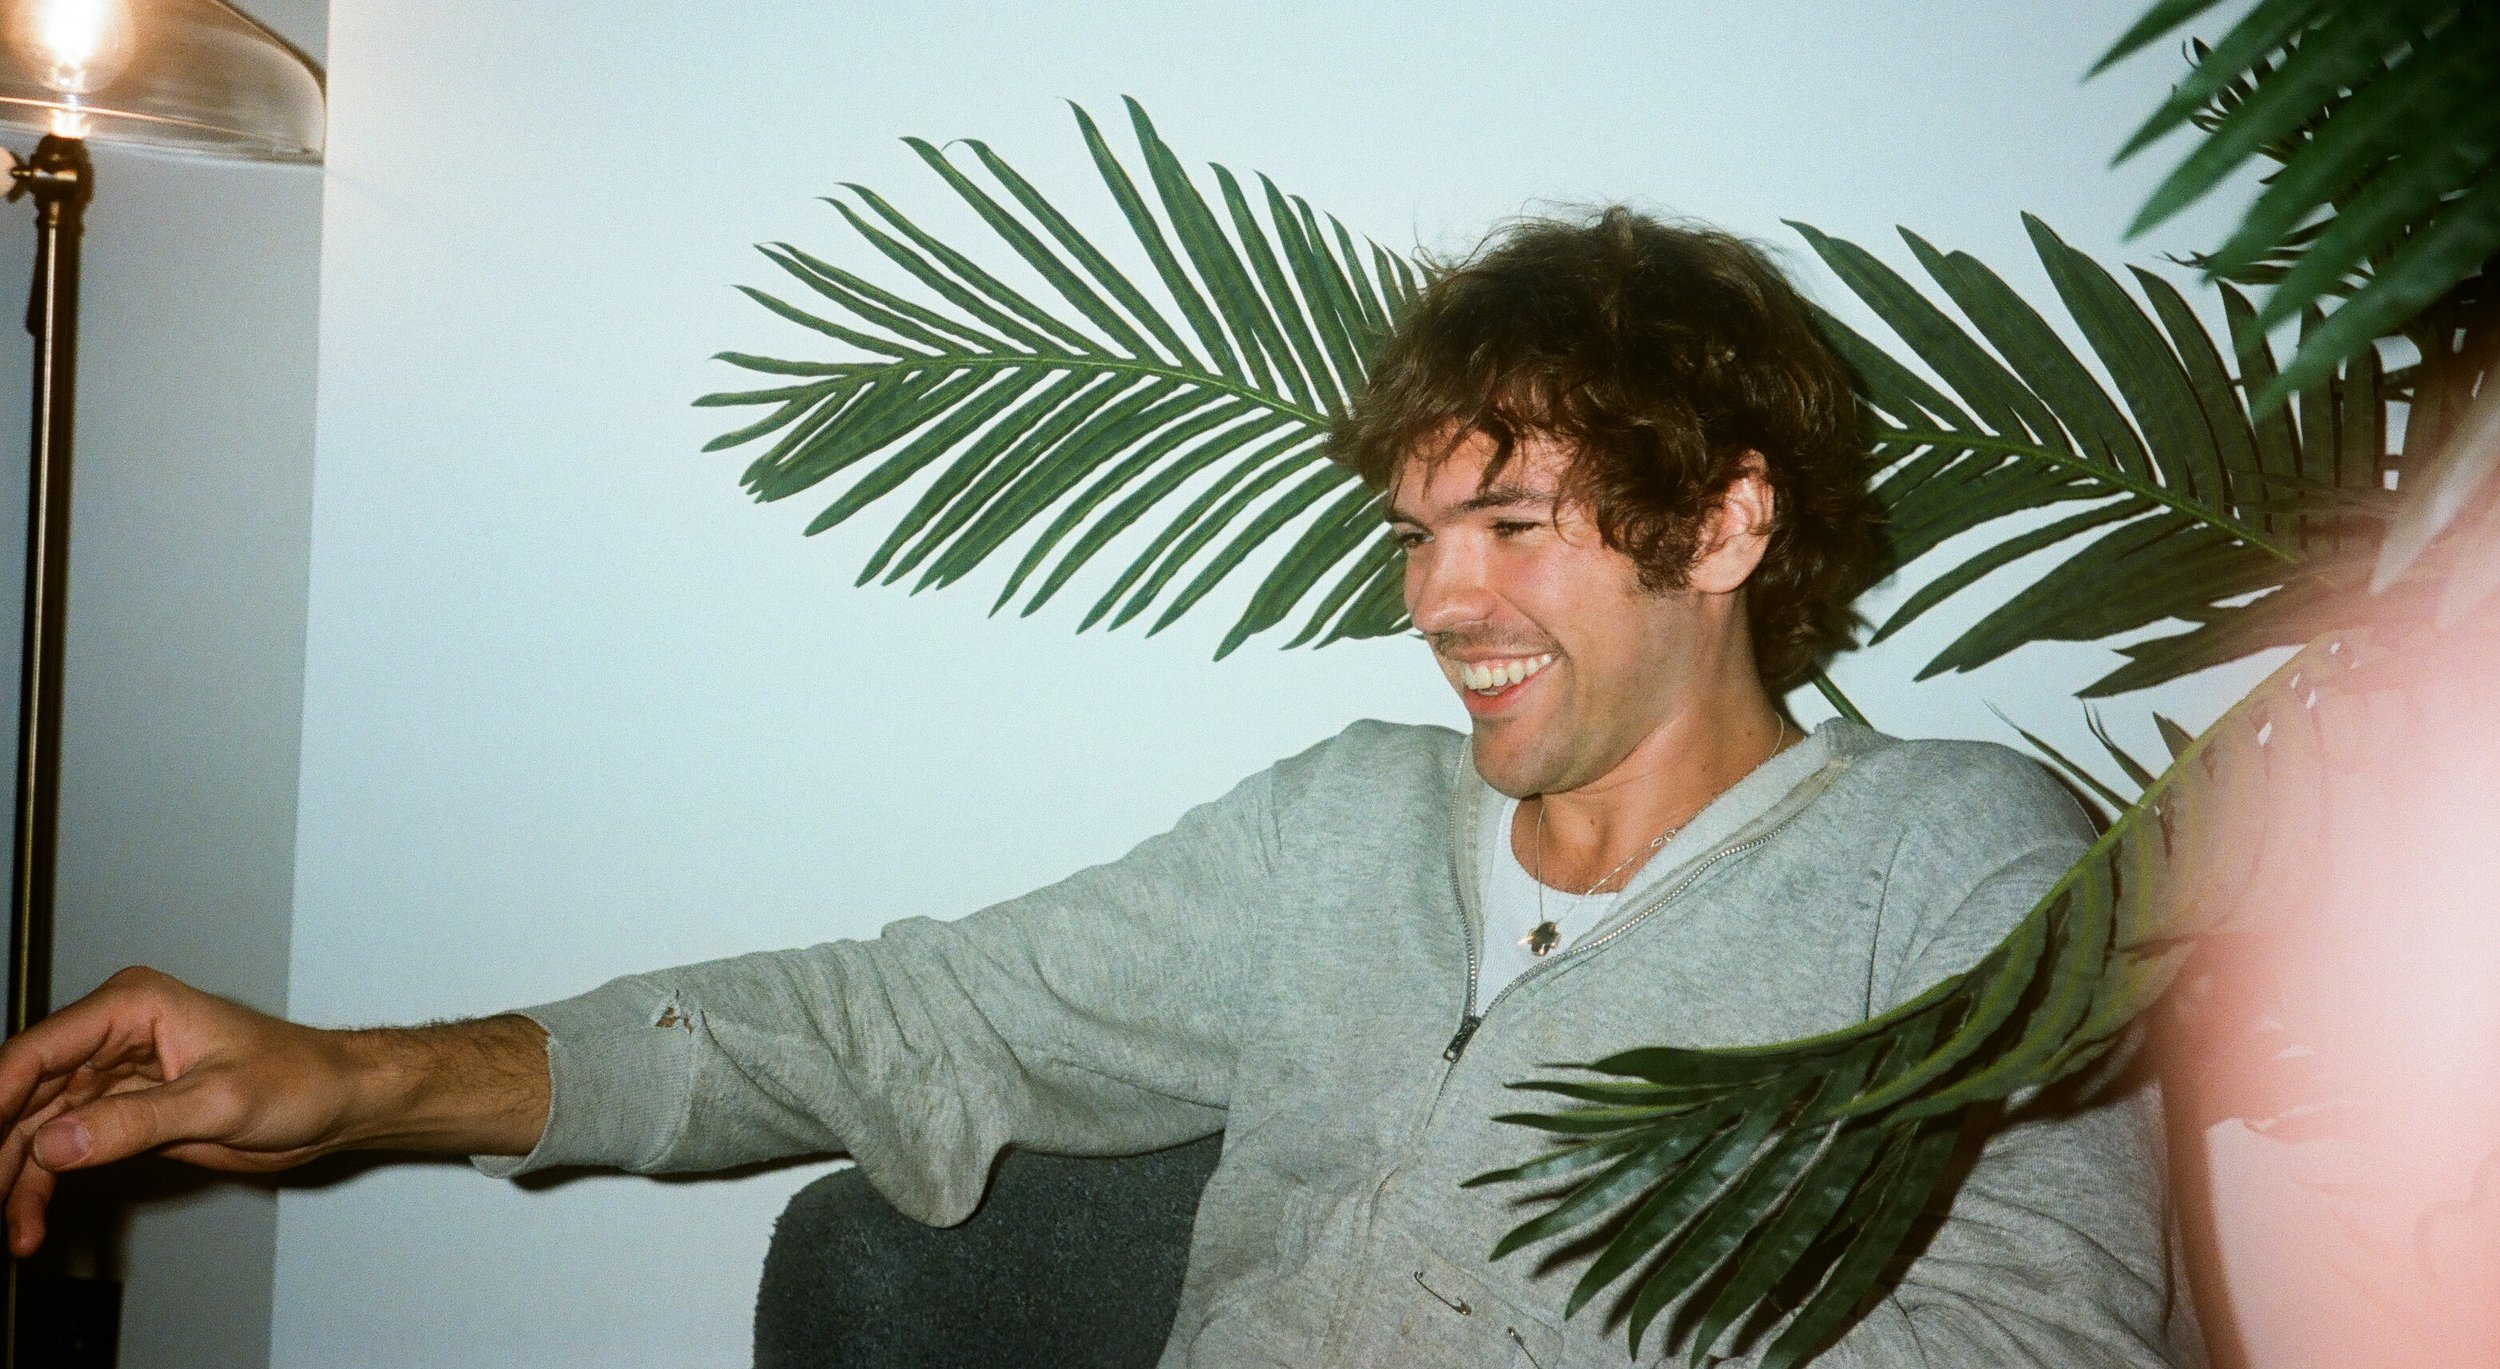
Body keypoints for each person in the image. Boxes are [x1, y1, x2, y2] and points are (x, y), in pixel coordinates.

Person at [0, 209, 2201, 1365]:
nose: (1435, 601)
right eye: (1415, 534)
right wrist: (350, 1079)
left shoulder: (1962, 862)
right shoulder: (1337, 829)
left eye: (1511, 525)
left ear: (1723, 524)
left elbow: (2044, 1345)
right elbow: (908, 1018)